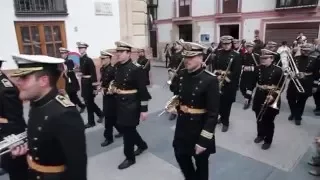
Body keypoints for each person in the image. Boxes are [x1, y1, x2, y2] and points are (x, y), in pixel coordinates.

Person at [10, 54, 87, 180]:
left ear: (43, 81)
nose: (18, 81)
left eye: (24, 77)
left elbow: (77, 167)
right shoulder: (36, 102)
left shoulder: (65, 113)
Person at [169, 41, 219, 180]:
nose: (186, 60)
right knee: (180, 155)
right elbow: (177, 93)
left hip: (199, 128)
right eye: (185, 57)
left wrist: (203, 141)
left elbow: (213, 114)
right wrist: (175, 106)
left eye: (191, 57)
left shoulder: (210, 80)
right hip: (182, 125)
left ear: (201, 58)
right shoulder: (182, 74)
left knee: (201, 164)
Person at [113, 41, 151, 169]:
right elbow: (117, 82)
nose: (118, 54)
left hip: (132, 104)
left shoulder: (136, 69)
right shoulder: (117, 66)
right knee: (126, 129)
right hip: (119, 102)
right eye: (117, 52)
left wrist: (144, 109)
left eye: (121, 52)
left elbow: (143, 91)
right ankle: (141, 145)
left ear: (128, 53)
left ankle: (130, 158)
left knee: (128, 132)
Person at [248, 49, 285, 150]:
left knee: (268, 120)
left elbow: (281, 86)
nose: (263, 60)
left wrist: (272, 96)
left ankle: (268, 140)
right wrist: (248, 96)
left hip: (272, 97)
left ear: (272, 59)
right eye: (262, 58)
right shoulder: (257, 68)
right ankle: (260, 135)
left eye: (265, 58)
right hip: (259, 96)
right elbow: (252, 83)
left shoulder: (278, 70)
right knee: (258, 118)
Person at [0, 57, 28, 180]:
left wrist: (13, 143)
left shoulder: (5, 89)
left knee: (17, 171)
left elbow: (14, 119)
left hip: (10, 135)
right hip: (5, 133)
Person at [212, 35, 242, 132]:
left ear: (231, 44)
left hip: (229, 84)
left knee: (227, 104)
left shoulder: (236, 55)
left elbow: (236, 72)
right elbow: (214, 67)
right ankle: (221, 117)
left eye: (228, 44)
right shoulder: (218, 53)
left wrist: (226, 78)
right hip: (218, 81)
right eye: (224, 44)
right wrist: (216, 76)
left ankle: (226, 122)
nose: (226, 46)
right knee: (218, 103)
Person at [286, 43, 320, 125]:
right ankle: (294, 112)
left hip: (307, 82)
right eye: (304, 50)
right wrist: (291, 74)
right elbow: (289, 69)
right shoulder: (295, 58)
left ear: (310, 51)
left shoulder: (314, 60)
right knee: (290, 98)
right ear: (301, 50)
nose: (306, 52)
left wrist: (315, 85)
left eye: (308, 51)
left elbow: (316, 74)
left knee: (302, 100)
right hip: (295, 81)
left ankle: (298, 117)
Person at [77, 42, 104, 128]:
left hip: (89, 83)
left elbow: (93, 74)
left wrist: (95, 87)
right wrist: (79, 72)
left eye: (82, 48)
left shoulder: (89, 60)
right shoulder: (81, 59)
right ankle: (101, 114)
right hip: (84, 82)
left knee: (89, 103)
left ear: (85, 49)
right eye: (79, 48)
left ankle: (91, 122)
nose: (80, 50)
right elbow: (83, 70)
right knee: (89, 102)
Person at [99, 50, 122, 147]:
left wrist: (105, 90)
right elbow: (103, 81)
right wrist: (100, 87)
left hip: (112, 97)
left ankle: (108, 138)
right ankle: (122, 130)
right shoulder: (103, 69)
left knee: (108, 118)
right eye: (101, 59)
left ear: (109, 59)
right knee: (113, 117)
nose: (102, 60)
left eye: (104, 59)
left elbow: (115, 84)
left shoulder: (112, 69)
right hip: (106, 96)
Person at [59, 47, 86, 113]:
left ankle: (77, 107)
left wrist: (66, 71)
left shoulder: (69, 61)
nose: (62, 54)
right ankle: (79, 106)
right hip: (67, 81)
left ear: (67, 54)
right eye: (61, 53)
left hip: (72, 81)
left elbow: (71, 71)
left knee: (73, 95)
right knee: (71, 95)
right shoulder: (62, 61)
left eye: (63, 53)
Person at [240, 41, 260, 110]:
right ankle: (249, 97)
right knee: (241, 88)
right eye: (247, 47)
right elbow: (240, 64)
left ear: (252, 48)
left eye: (250, 47)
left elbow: (259, 66)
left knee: (249, 89)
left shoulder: (256, 56)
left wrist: (250, 68)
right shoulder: (243, 55)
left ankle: (247, 101)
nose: (248, 48)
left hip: (252, 76)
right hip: (245, 75)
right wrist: (243, 67)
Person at [168, 39, 184, 121]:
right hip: (174, 78)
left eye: (176, 44)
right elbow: (170, 64)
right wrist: (170, 71)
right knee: (175, 94)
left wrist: (177, 72)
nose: (174, 45)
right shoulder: (174, 54)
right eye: (174, 44)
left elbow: (185, 67)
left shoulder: (183, 55)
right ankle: (174, 111)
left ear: (181, 45)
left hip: (181, 78)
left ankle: (181, 110)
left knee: (182, 95)